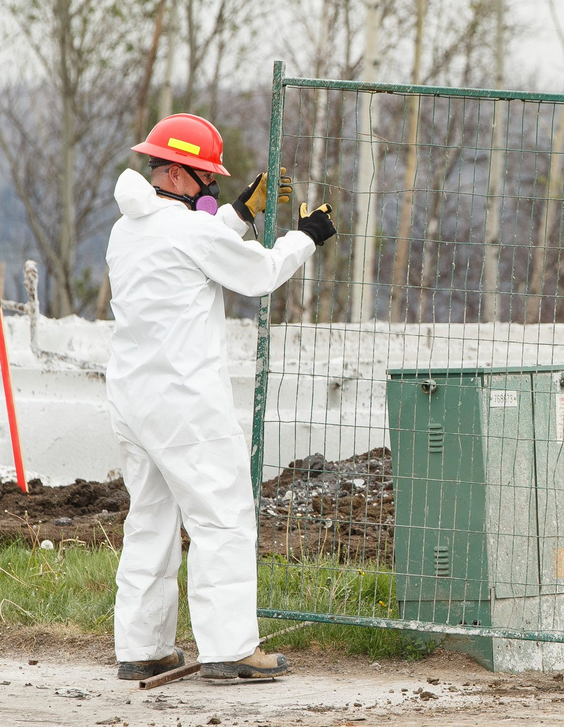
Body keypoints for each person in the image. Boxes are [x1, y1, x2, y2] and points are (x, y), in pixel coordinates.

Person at [106, 113, 336, 681]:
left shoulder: (128, 228)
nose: (210, 185)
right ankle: (231, 649)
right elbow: (258, 273)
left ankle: (142, 648)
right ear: (177, 175)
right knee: (224, 520)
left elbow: (194, 246)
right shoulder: (191, 231)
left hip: (133, 401)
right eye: (205, 177)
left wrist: (240, 213)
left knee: (150, 522)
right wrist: (306, 236)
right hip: (186, 405)